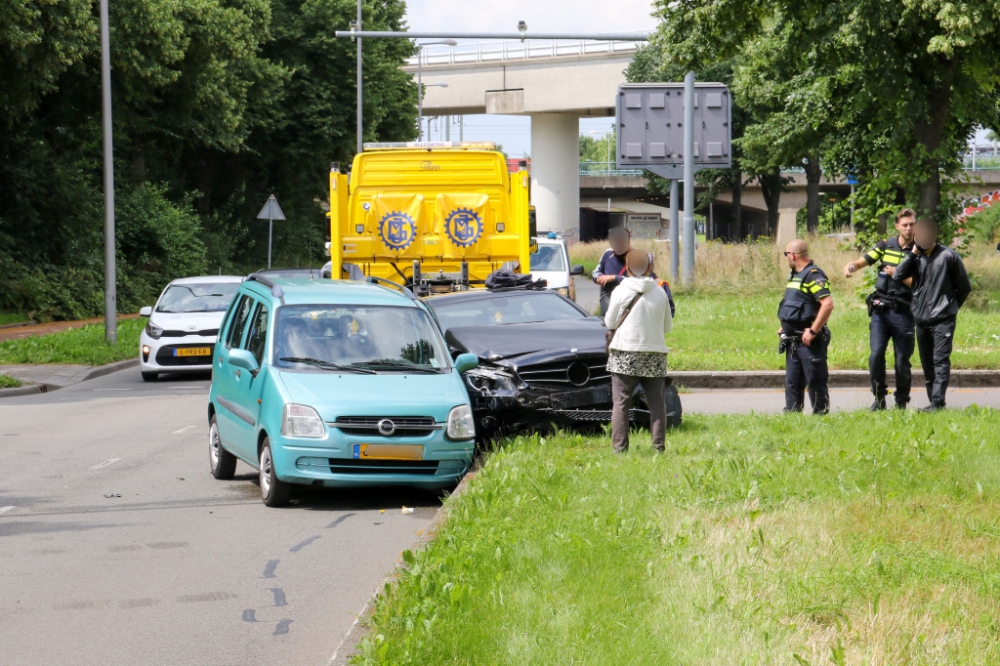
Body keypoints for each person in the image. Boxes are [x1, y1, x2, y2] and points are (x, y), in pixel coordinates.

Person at [893, 219, 972, 411]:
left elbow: (964, 287)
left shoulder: (948, 256)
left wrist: (950, 307)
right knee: (927, 364)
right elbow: (897, 276)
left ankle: (938, 402)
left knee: (940, 361)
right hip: (921, 320)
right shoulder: (915, 257)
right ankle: (933, 403)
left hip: (943, 319)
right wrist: (912, 254)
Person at [843, 208, 917, 410]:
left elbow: (922, 284)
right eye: (905, 225)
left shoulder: (919, 250)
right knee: (876, 356)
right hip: (881, 312)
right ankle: (879, 399)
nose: (909, 228)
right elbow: (864, 260)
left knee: (902, 361)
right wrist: (852, 267)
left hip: (904, 312)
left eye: (912, 224)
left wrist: (898, 274)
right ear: (897, 226)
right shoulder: (885, 245)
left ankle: (901, 401)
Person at [605, 249, 673, 453]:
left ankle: (619, 449)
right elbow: (667, 328)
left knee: (621, 404)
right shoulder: (660, 291)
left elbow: (609, 322)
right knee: (657, 405)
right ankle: (658, 447)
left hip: (625, 351)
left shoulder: (621, 290)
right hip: (654, 353)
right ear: (649, 266)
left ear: (628, 267)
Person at [778, 239, 835, 414]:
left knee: (815, 382)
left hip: (809, 341)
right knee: (793, 383)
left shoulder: (813, 275)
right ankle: (792, 418)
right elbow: (796, 305)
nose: (786, 258)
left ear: (792, 255)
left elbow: (827, 304)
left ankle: (821, 418)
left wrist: (813, 330)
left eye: (786, 255)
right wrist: (786, 327)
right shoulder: (796, 275)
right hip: (793, 340)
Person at [592, 227, 633, 316]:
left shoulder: (636, 257)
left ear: (628, 243)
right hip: (607, 299)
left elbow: (638, 281)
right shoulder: (607, 254)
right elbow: (596, 272)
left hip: (627, 301)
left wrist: (614, 278)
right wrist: (599, 277)